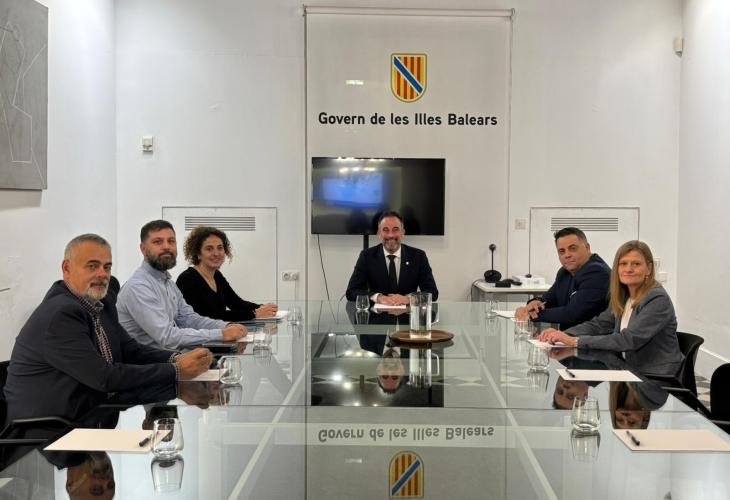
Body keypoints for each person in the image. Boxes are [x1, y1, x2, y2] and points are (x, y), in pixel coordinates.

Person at [3, 234, 212, 421]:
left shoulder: (99, 303)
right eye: (92, 266)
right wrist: (176, 370)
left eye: (107, 267)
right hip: (52, 429)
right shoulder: (61, 315)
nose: (103, 274)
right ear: (67, 268)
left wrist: (177, 358)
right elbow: (104, 377)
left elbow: (131, 350)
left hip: (95, 413)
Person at [537, 240, 683, 376]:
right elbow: (600, 324)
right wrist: (562, 335)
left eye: (636, 264)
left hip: (655, 377)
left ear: (649, 269)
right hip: (625, 369)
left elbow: (628, 340)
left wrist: (574, 341)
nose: (628, 269)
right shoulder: (624, 295)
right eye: (623, 264)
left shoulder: (656, 298)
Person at [117, 220, 247, 350]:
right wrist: (221, 334)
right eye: (158, 242)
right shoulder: (138, 287)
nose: (166, 246)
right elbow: (167, 337)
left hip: (175, 356)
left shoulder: (168, 284)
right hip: (152, 361)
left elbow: (189, 319)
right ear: (143, 249)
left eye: (171, 241)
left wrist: (226, 326)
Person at [176, 226, 277, 321]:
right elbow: (210, 316)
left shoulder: (217, 275)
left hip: (218, 332)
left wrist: (264, 308)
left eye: (220, 248)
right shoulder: (187, 279)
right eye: (209, 249)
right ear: (198, 253)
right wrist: (255, 313)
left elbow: (236, 303)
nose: (216, 253)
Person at [515, 227, 610, 329]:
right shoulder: (565, 272)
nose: (567, 255)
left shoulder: (597, 272)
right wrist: (534, 303)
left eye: (572, 248)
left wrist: (529, 314)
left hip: (590, 337)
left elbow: (572, 314)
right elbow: (548, 300)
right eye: (561, 251)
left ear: (587, 248)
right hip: (566, 335)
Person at [345, 210, 438, 306]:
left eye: (395, 229)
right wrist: (378, 297)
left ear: (403, 232)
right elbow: (352, 291)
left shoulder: (418, 256)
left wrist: (408, 299)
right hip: (376, 314)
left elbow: (432, 293)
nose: (390, 235)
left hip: (409, 314)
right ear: (379, 233)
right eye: (385, 230)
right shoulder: (367, 256)